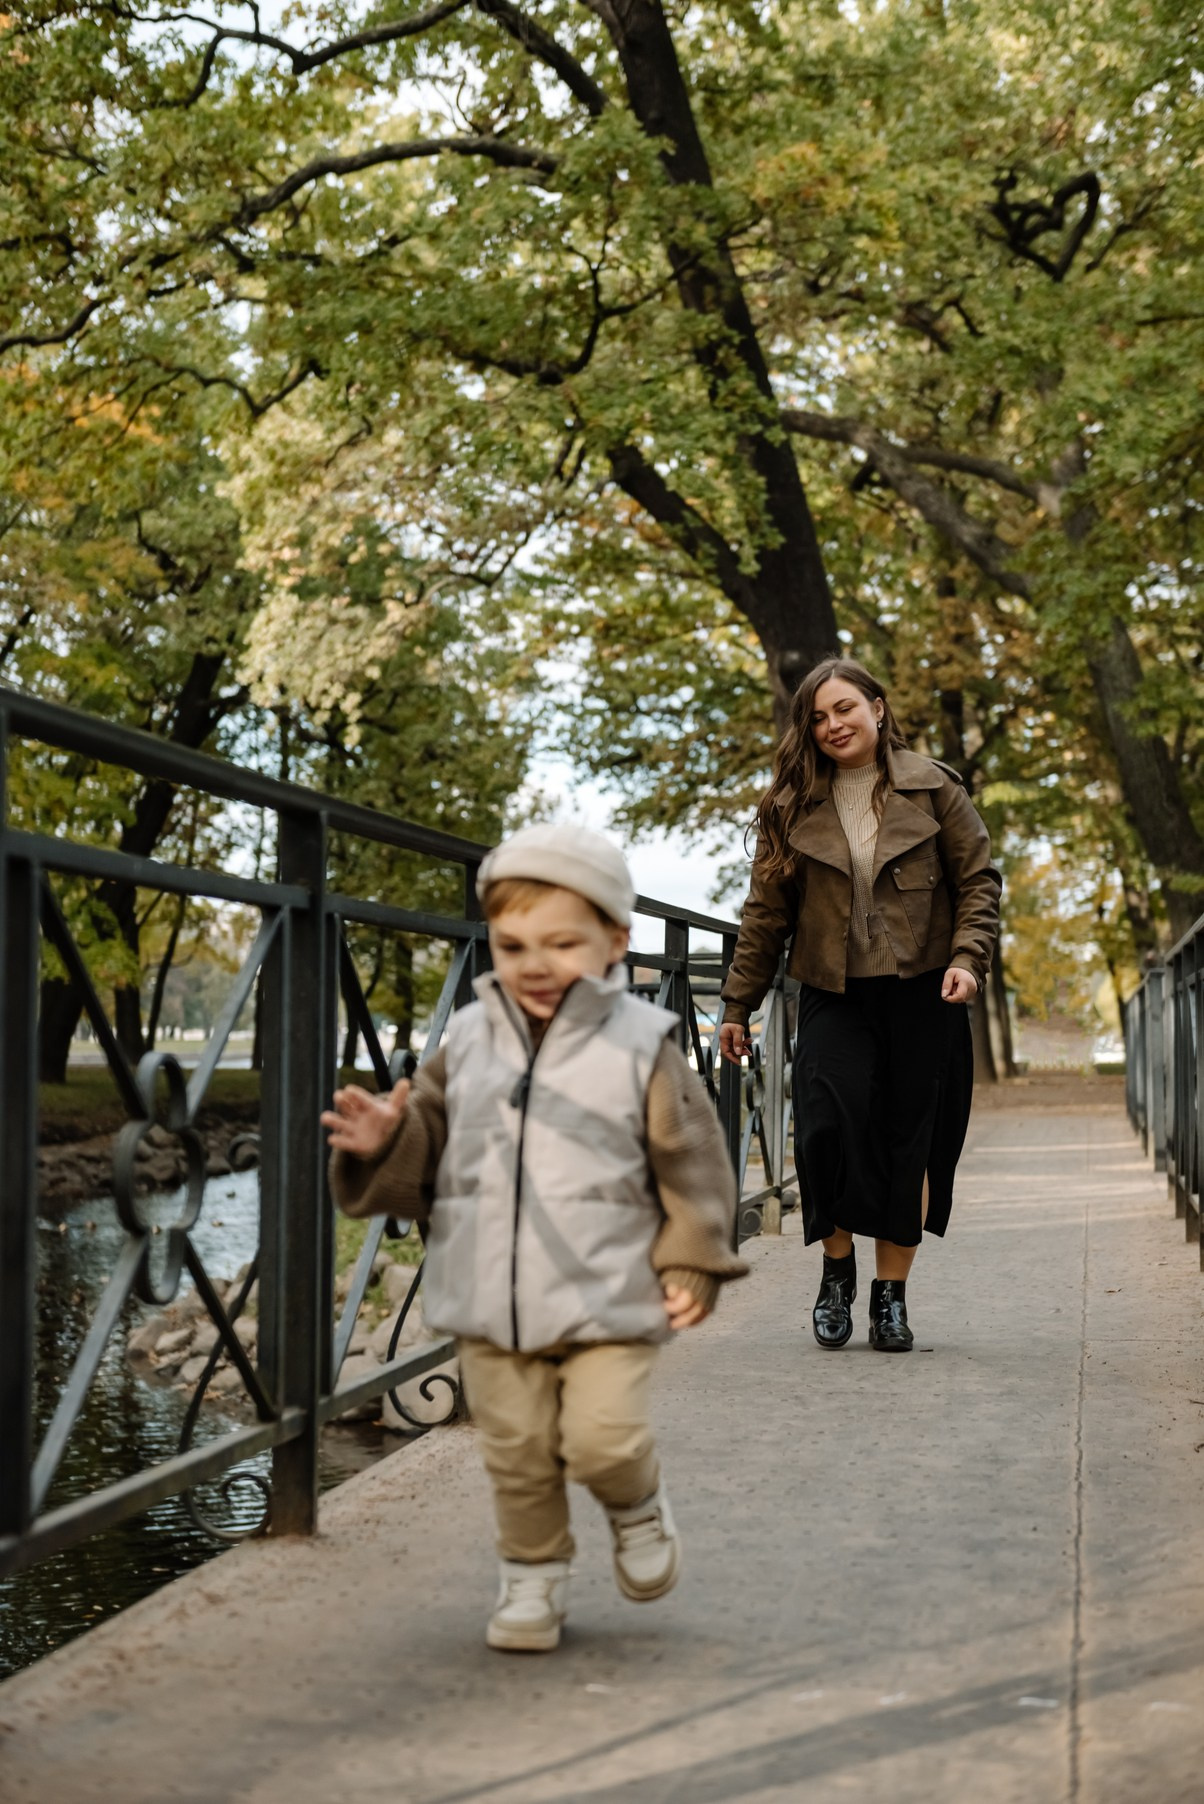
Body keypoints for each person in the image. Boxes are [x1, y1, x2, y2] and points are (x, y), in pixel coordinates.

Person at [323, 823, 747, 1653]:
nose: (535, 964)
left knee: (601, 1439)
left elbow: (693, 1161)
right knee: (515, 1446)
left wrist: (695, 1254)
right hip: (491, 1294)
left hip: (609, 1292)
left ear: (616, 942)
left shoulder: (643, 1046)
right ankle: (533, 1575)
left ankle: (635, 1502)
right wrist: (388, 1139)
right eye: (513, 945)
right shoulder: (470, 1039)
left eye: (563, 942)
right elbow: (433, 1134)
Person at [718, 657, 1000, 1353]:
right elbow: (764, 916)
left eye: (844, 708)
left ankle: (890, 1299)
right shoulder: (790, 807)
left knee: (911, 1144)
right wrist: (736, 1003)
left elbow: (978, 883)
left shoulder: (936, 789)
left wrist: (968, 960)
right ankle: (837, 1268)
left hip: (924, 991)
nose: (832, 724)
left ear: (878, 706)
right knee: (823, 1128)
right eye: (817, 716)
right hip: (832, 992)